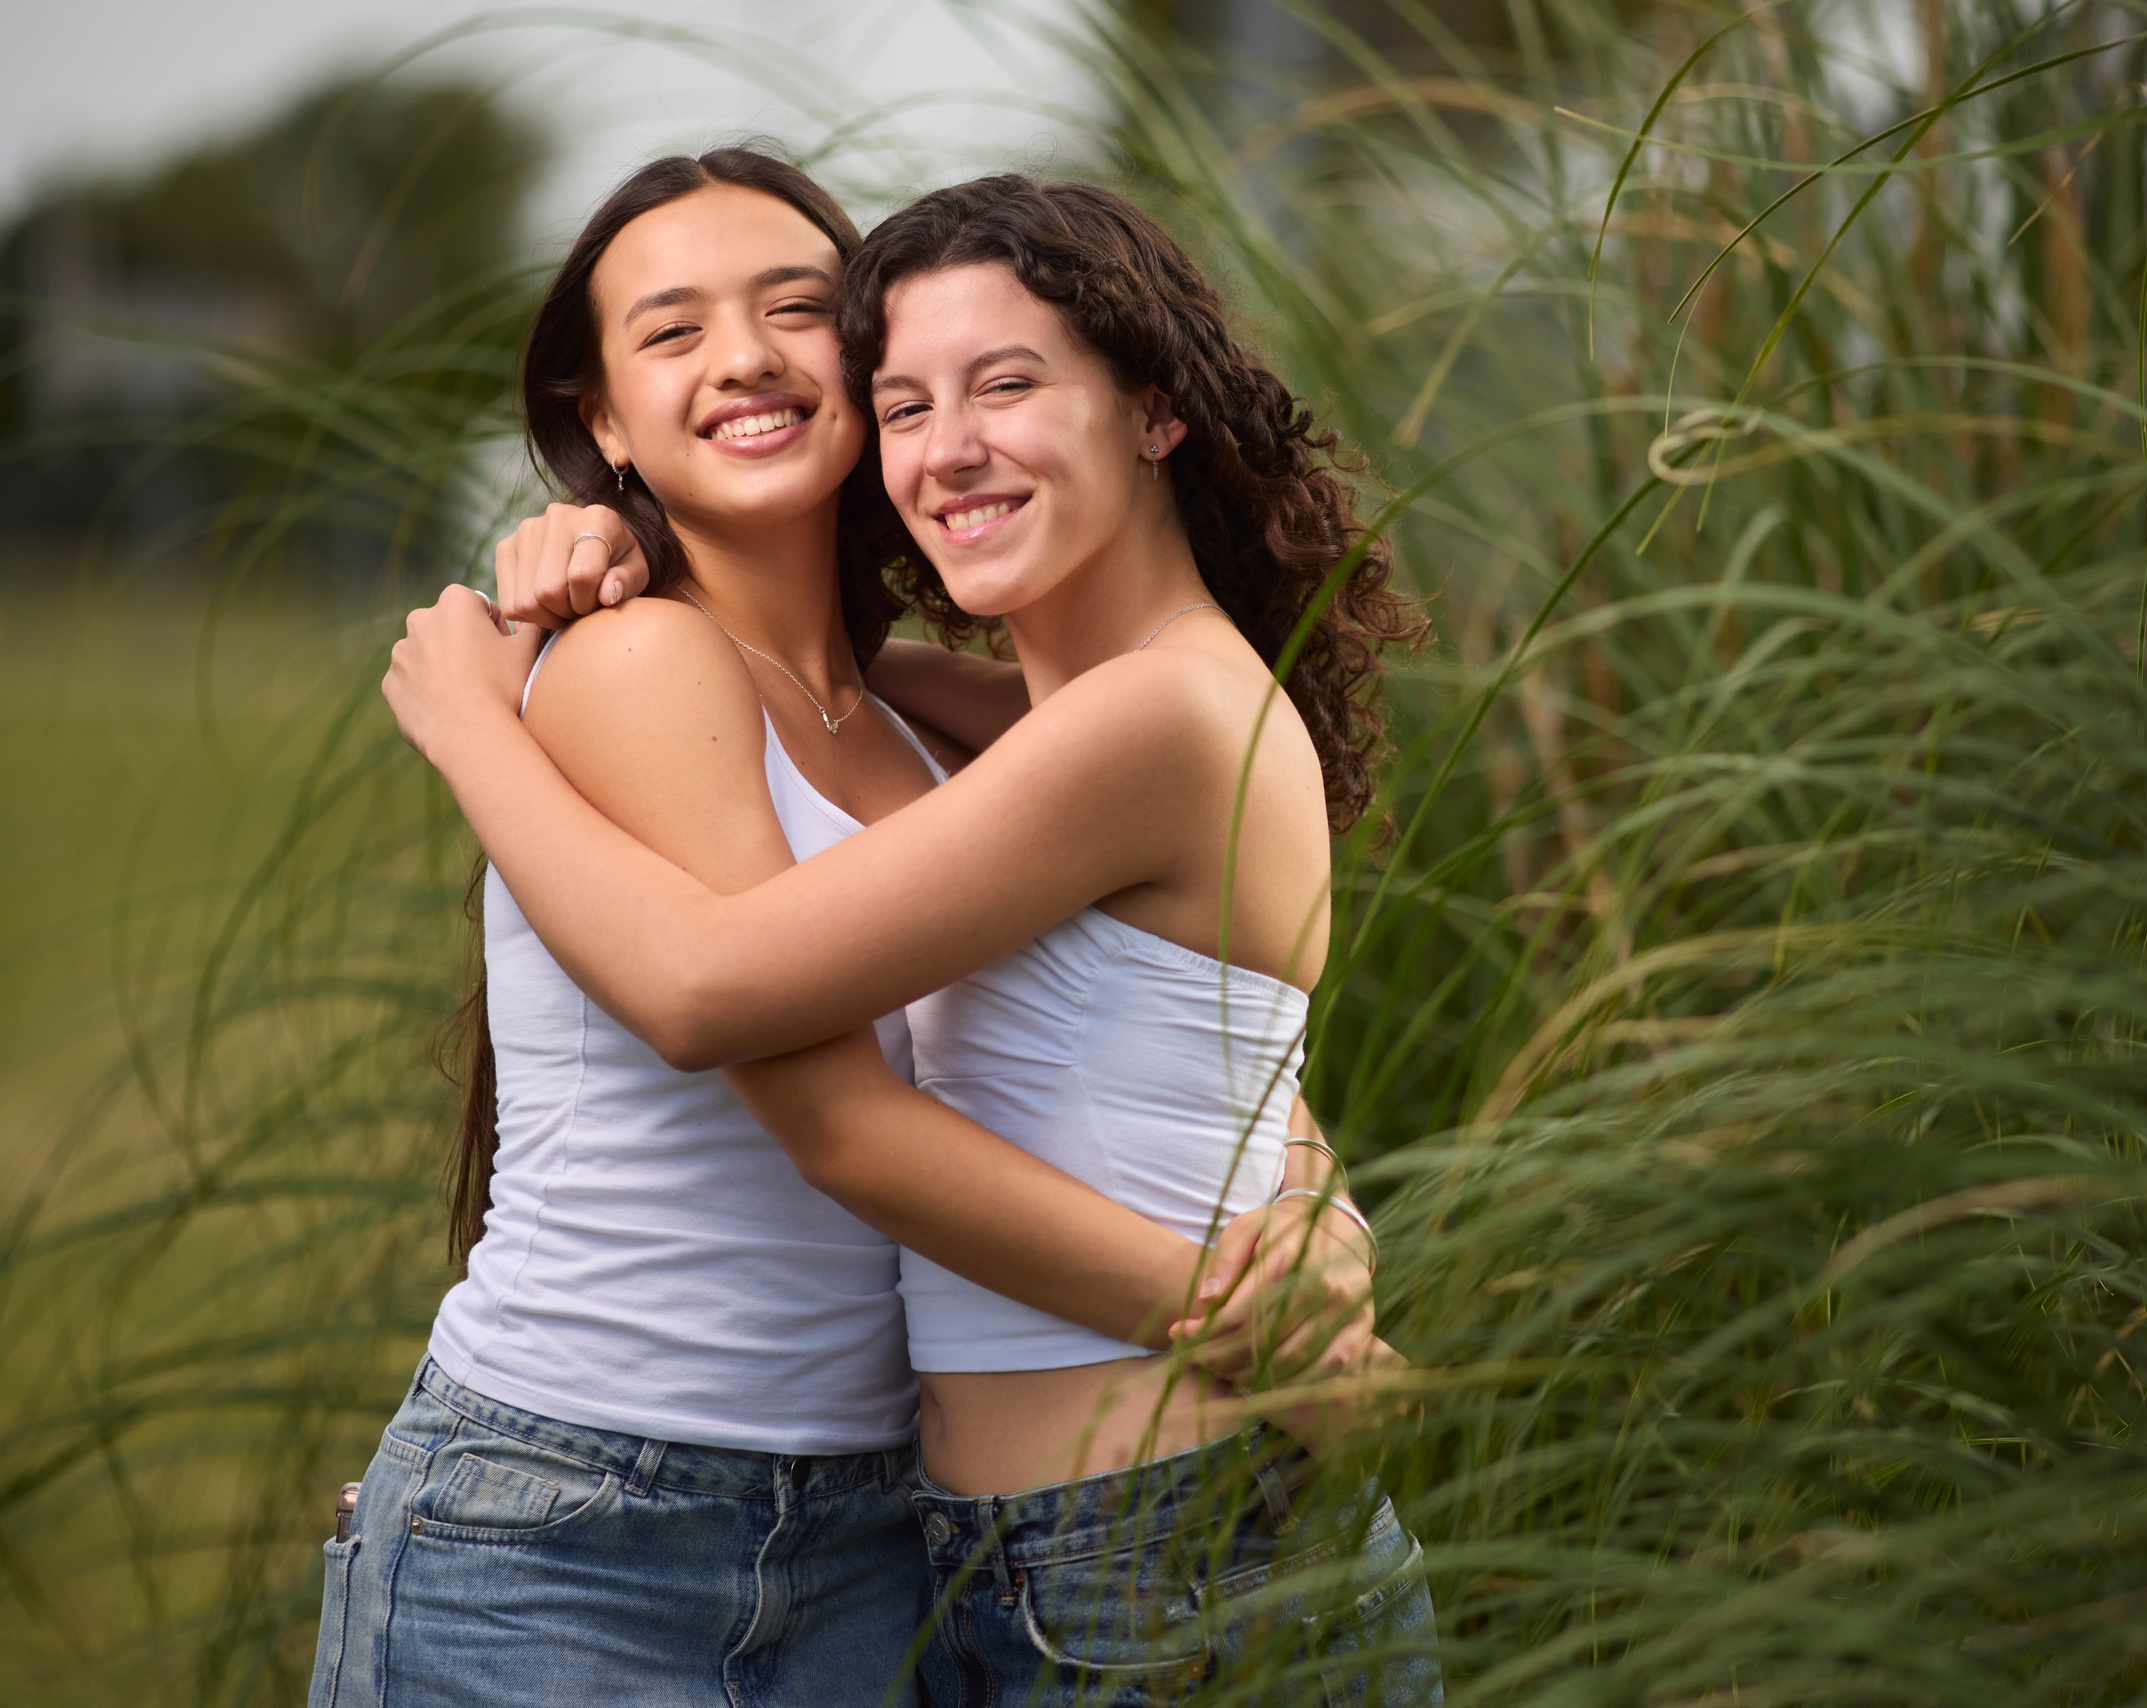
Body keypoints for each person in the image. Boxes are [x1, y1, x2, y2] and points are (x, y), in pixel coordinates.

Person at [318, 153, 1373, 1708]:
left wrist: (1320, 1211)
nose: (743, 357)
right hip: (585, 1522)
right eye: (673, 331)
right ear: (606, 422)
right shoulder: (636, 661)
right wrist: (471, 720)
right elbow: (770, 1055)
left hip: (876, 1539)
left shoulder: (928, 724)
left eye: (795, 309)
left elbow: (1174, 1018)